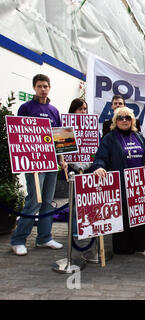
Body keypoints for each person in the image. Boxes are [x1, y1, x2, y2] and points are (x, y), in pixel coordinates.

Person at [10, 74, 66, 256]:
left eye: (46, 86)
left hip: (50, 163)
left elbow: (59, 137)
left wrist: (62, 159)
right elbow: (19, 135)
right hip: (33, 164)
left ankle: (44, 237)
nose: (43, 89)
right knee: (34, 201)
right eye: (40, 86)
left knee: (48, 203)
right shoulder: (26, 108)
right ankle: (18, 240)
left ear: (50, 88)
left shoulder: (54, 111)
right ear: (34, 87)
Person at [91, 107, 145, 256]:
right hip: (120, 183)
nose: (124, 120)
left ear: (132, 120)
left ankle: (141, 246)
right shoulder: (110, 138)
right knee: (123, 215)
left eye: (127, 117)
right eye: (120, 118)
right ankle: (123, 248)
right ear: (115, 121)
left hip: (138, 184)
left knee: (138, 214)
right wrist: (99, 167)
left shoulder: (139, 136)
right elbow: (101, 157)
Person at [67, 98, 92, 236]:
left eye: (85, 109)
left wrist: (87, 164)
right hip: (73, 170)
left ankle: (86, 227)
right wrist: (76, 166)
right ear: (73, 110)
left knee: (86, 200)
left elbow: (95, 151)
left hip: (88, 169)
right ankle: (74, 230)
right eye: (80, 109)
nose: (83, 112)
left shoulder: (91, 126)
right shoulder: (66, 126)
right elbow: (64, 151)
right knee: (74, 202)